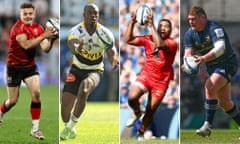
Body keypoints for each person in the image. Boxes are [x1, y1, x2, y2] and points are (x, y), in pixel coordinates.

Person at [60, 3, 119, 140]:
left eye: (96, 14)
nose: (93, 16)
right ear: (84, 15)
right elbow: (72, 43)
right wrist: (77, 48)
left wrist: (114, 59)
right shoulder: (76, 31)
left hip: (95, 70)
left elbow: (111, 50)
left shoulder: (105, 33)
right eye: (90, 13)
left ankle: (68, 129)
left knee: (85, 89)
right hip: (76, 69)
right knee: (64, 110)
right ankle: (70, 126)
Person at [0, 2, 58, 140]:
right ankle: (1, 112)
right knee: (13, 101)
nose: (27, 16)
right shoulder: (17, 29)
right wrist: (45, 35)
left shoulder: (38, 28)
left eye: (30, 14)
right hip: (14, 67)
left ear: (34, 14)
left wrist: (52, 39)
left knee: (36, 93)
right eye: (25, 14)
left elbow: (45, 49)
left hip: (30, 67)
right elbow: (26, 45)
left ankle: (35, 129)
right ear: (21, 15)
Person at [182, 6, 240, 137]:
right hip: (213, 68)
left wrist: (203, 58)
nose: (191, 22)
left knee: (209, 85)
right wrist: (186, 62)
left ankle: (207, 125)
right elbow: (188, 53)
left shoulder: (214, 28)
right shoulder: (189, 34)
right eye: (189, 19)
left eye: (194, 19)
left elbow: (221, 48)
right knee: (225, 103)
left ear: (203, 17)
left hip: (227, 64)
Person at [124, 8, 178, 141]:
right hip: (147, 76)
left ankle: (141, 132)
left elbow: (159, 44)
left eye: (167, 26)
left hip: (161, 82)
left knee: (150, 110)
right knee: (131, 97)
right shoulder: (147, 38)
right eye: (161, 26)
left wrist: (152, 25)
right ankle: (137, 112)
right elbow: (128, 40)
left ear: (170, 30)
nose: (164, 28)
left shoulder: (172, 43)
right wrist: (132, 22)